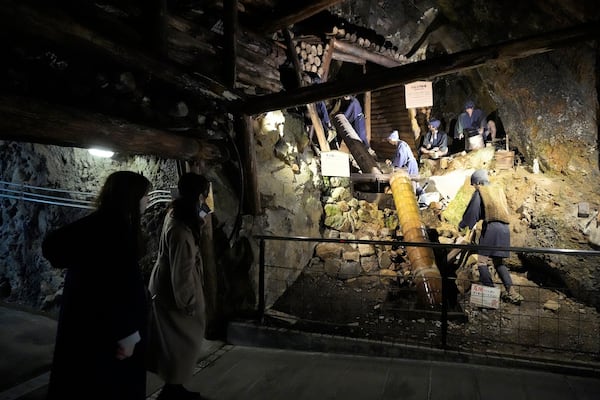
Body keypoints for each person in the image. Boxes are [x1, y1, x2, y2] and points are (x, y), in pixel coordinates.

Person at [42, 171, 152, 400]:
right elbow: (116, 288)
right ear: (131, 197)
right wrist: (128, 336)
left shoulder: (99, 225)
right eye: (145, 195)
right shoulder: (114, 231)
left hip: (90, 332)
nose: (148, 200)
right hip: (106, 339)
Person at [148, 172, 212, 400]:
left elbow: (200, 216)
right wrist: (188, 302)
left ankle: (174, 388)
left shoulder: (177, 212)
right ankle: (172, 391)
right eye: (204, 195)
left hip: (166, 283)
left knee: (177, 341)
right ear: (198, 196)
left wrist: (202, 214)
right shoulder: (181, 231)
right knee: (181, 340)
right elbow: (181, 272)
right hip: (172, 289)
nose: (206, 200)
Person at [458, 169, 524, 304]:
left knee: (482, 261)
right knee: (499, 262)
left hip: (491, 228)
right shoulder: (498, 191)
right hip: (504, 229)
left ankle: (489, 292)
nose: (475, 187)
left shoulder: (481, 191)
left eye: (474, 184)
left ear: (478, 182)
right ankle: (511, 292)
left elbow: (473, 211)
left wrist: (463, 224)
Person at [386, 130, 422, 195]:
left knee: (413, 182)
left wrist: (395, 167)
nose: (389, 142)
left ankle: (420, 196)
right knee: (413, 182)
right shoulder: (400, 144)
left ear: (392, 139)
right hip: (410, 164)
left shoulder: (401, 146)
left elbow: (401, 158)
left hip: (411, 165)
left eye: (389, 140)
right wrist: (391, 162)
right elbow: (397, 157)